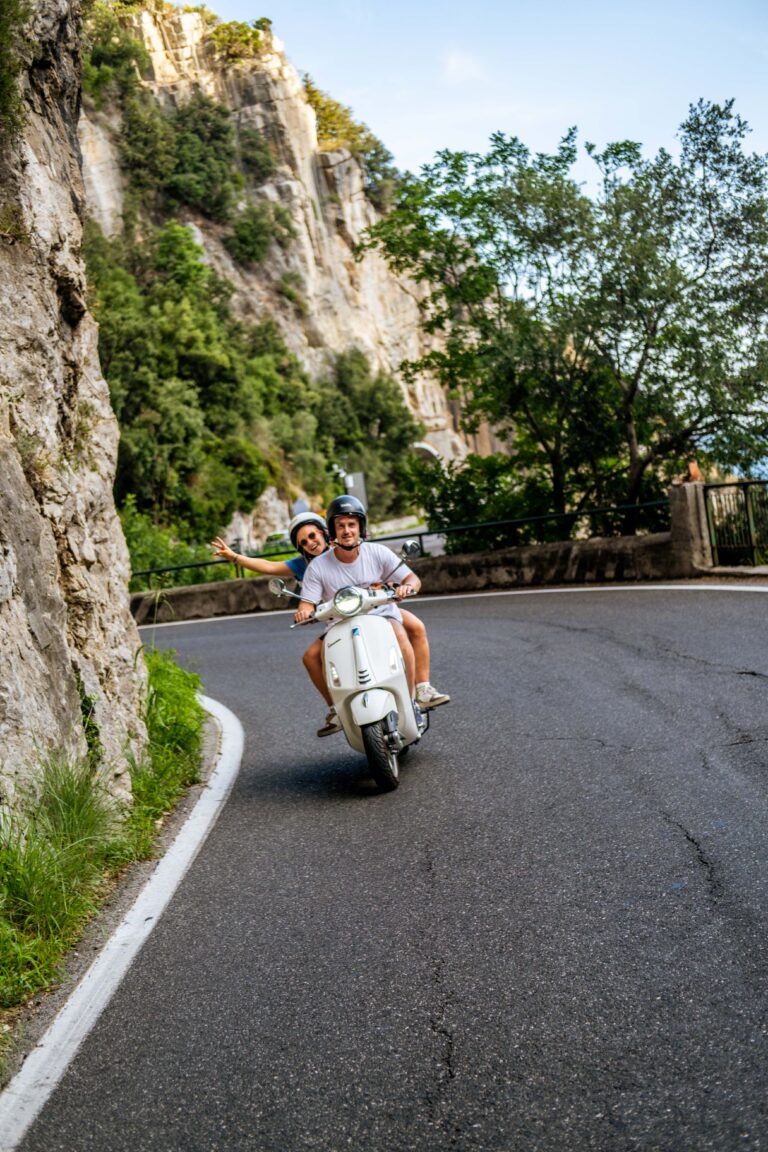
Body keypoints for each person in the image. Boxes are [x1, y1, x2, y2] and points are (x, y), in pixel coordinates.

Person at [294, 494, 449, 736]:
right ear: (332, 531)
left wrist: (407, 586)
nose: (346, 531)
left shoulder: (378, 552)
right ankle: (336, 709)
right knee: (310, 657)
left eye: (352, 525)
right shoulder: (317, 567)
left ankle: (412, 699)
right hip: (340, 622)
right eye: (341, 525)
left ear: (361, 527)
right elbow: (306, 602)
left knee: (401, 634)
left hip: (381, 614)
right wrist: (303, 612)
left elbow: (411, 578)